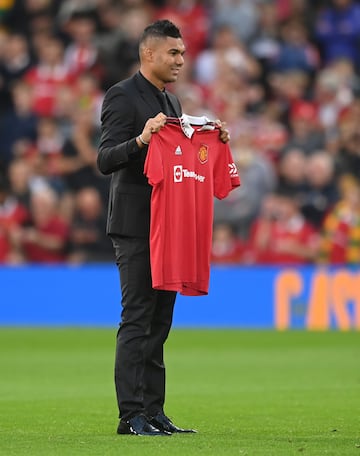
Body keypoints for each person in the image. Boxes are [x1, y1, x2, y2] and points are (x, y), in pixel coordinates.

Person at [97, 19, 230, 437]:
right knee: (137, 317)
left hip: (169, 226)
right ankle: (130, 415)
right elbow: (105, 159)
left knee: (160, 321)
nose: (181, 60)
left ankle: (154, 411)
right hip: (136, 226)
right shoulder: (121, 96)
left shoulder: (171, 103)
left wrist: (213, 138)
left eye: (184, 53)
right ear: (148, 53)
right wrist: (140, 140)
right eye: (174, 53)